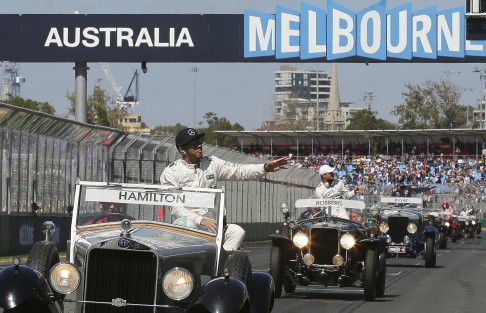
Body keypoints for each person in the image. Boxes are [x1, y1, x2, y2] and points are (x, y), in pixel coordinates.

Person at [160, 127, 289, 251]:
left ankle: (220, 265)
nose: (199, 146)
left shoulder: (212, 163)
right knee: (184, 224)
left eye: (199, 142)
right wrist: (201, 220)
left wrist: (265, 168)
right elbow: (175, 207)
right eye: (193, 144)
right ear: (182, 150)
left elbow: (239, 171)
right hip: (191, 223)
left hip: (213, 225)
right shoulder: (171, 172)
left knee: (237, 232)